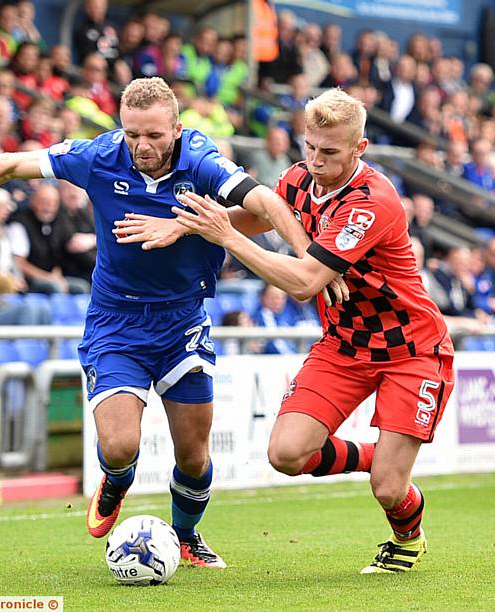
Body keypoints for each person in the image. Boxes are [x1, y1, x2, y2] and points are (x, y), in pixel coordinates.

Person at [0, 77, 345, 569]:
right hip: (116, 321)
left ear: (176, 127)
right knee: (120, 443)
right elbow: (9, 164)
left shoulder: (201, 159)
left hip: (183, 322)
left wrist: (309, 259)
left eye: (152, 135)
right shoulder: (99, 156)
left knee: (193, 456)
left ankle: (186, 535)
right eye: (132, 135)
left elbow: (265, 203)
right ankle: (116, 479)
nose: (140, 146)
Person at [172, 88, 455, 574]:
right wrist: (186, 225)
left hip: (411, 347)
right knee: (284, 454)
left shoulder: (372, 202)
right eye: (309, 147)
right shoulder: (298, 179)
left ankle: (406, 537)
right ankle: (374, 455)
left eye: (330, 152)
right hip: (343, 345)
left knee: (389, 488)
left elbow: (304, 283)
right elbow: (253, 219)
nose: (315, 161)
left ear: (359, 149)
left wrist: (226, 237)